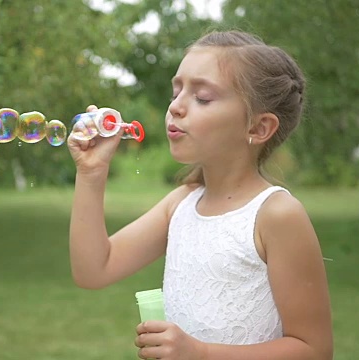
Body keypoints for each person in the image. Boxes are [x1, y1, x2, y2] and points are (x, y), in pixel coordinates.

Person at [66, 30, 333, 360]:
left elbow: (313, 350)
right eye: (176, 91)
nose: (175, 107)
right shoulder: (182, 203)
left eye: (202, 98)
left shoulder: (276, 214)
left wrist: (201, 352)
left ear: (258, 128)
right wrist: (91, 174)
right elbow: (94, 269)